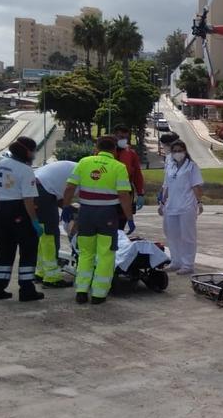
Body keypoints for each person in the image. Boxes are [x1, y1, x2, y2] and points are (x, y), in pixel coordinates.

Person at [62, 135, 134, 305]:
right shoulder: (118, 167)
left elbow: (70, 187)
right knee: (106, 254)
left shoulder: (84, 162)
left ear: (97, 148)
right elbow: (123, 195)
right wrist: (129, 217)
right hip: (107, 214)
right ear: (115, 150)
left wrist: (65, 206)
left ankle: (81, 290)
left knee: (85, 253)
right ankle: (99, 294)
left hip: (85, 213)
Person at [0, 141, 45, 302]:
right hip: (19, 210)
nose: (34, 154)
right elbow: (28, 199)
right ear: (27, 152)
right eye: (33, 151)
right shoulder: (26, 171)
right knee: (28, 251)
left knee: (3, 252)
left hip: (1, 209)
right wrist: (34, 221)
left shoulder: (1, 164)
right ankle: (27, 290)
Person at [159, 140, 205, 275]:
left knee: (187, 236)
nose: (178, 153)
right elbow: (166, 187)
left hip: (186, 206)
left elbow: (196, 186)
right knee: (171, 234)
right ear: (171, 153)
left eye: (180, 150)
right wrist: (162, 202)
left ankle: (188, 264)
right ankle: (176, 261)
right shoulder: (170, 166)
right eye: (175, 151)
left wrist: (199, 202)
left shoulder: (191, 166)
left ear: (185, 151)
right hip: (171, 206)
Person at [32, 158, 76, 286]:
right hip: (43, 192)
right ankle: (52, 278)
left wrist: (69, 208)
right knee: (50, 233)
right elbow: (69, 191)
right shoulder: (85, 175)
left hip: (37, 188)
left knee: (44, 234)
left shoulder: (73, 167)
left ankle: (41, 272)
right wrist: (69, 208)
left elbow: (59, 198)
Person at [113, 125, 145, 232]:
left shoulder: (131, 153)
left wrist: (140, 193)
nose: (123, 140)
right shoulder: (104, 152)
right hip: (108, 192)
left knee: (121, 225)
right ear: (115, 136)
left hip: (126, 191)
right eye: (121, 137)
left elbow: (137, 175)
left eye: (125, 138)